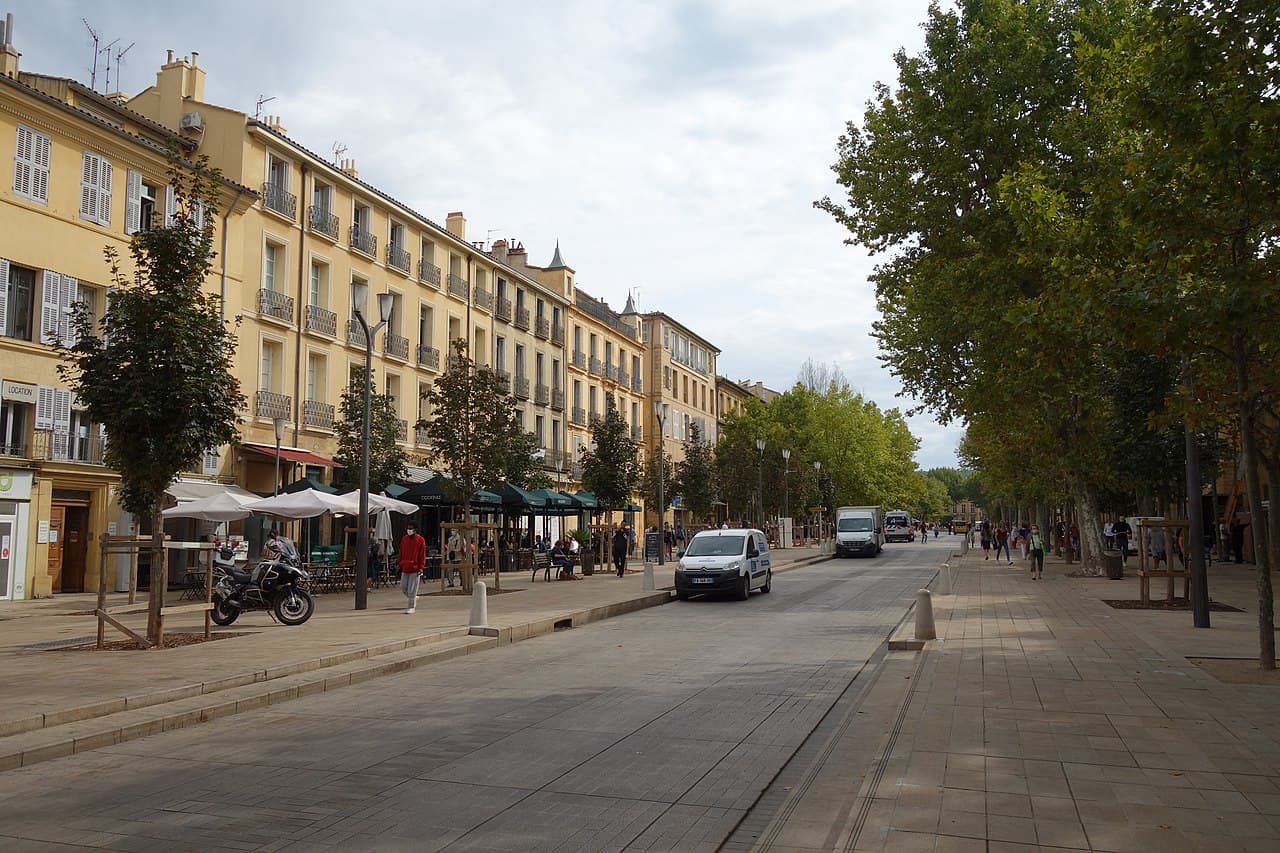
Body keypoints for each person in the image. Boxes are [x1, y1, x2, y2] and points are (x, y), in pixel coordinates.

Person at [397, 523, 427, 614]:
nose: (409, 530)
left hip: (415, 568)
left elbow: (422, 554)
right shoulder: (404, 539)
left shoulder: (420, 540)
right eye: (408, 528)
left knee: (412, 588)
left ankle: (411, 606)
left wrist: (421, 567)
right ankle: (413, 597)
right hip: (405, 567)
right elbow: (401, 552)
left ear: (415, 530)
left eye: (411, 529)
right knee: (403, 587)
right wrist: (399, 563)